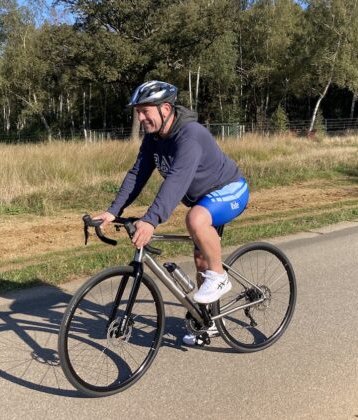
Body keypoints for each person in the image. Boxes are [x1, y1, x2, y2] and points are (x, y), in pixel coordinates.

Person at [93, 80, 249, 345]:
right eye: (138, 112)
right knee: (201, 259)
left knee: (196, 219)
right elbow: (137, 174)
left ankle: (221, 278)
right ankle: (207, 322)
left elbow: (177, 179)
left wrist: (151, 220)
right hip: (203, 200)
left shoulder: (191, 135)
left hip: (230, 190)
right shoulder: (154, 139)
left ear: (166, 108)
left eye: (145, 111)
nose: (140, 118)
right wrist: (112, 211)